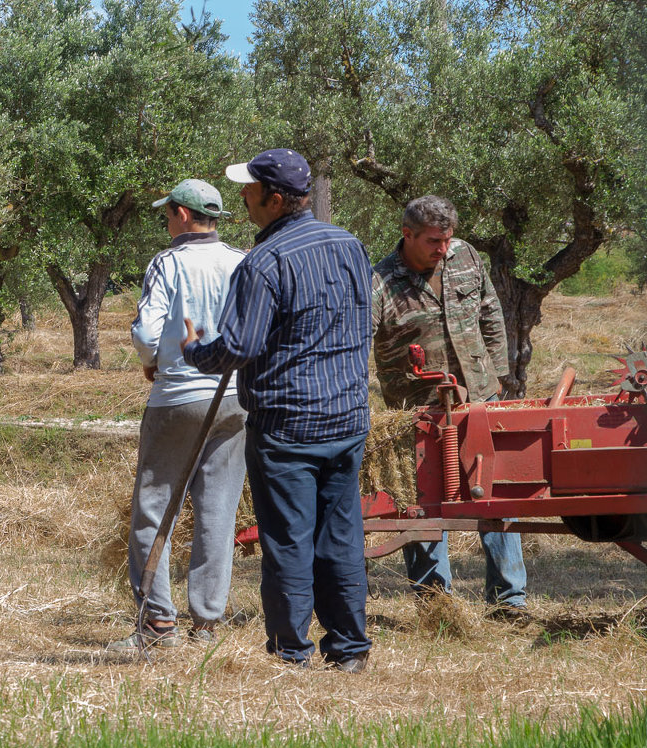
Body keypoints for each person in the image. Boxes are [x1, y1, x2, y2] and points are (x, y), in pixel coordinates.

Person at [183, 149, 373, 672]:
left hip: (287, 423)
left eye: (248, 190)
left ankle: (291, 653)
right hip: (347, 416)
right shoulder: (350, 245)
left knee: (288, 539)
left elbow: (239, 348)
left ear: (274, 198)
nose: (241, 198)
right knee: (340, 536)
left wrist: (195, 351)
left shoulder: (264, 262)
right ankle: (350, 650)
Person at [108, 179, 249, 651]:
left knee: (154, 507)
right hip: (234, 396)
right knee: (217, 512)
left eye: (168, 213)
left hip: (179, 395)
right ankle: (207, 626)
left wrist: (151, 362)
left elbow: (147, 331)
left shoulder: (167, 263)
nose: (166, 221)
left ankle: (157, 625)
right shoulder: (238, 260)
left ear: (184, 215)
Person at [371, 195, 528, 617]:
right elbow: (360, 336)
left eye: (447, 239)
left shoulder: (466, 256)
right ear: (407, 235)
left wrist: (498, 376)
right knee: (422, 502)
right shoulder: (380, 282)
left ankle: (509, 600)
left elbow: (491, 314)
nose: (443, 249)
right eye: (433, 242)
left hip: (479, 397)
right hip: (418, 408)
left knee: (494, 495)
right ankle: (436, 604)